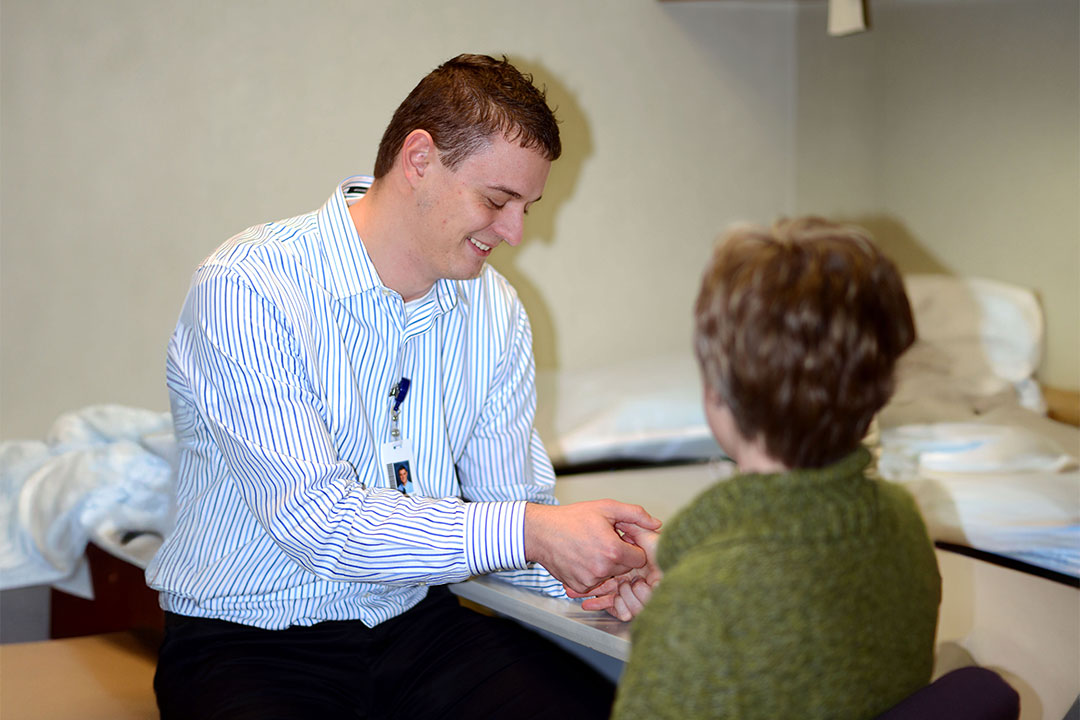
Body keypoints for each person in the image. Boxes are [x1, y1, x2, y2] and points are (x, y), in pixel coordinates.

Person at [147, 53, 659, 719]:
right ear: (419, 159)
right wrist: (535, 532)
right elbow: (320, 524)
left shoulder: (495, 311)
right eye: (498, 200)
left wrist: (598, 566)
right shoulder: (249, 286)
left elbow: (508, 514)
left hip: (416, 627)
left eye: (527, 207)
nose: (516, 233)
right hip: (246, 642)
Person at [599, 218, 942, 719]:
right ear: (878, 391)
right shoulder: (902, 522)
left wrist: (685, 618)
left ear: (717, 389)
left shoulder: (703, 607)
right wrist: (686, 571)